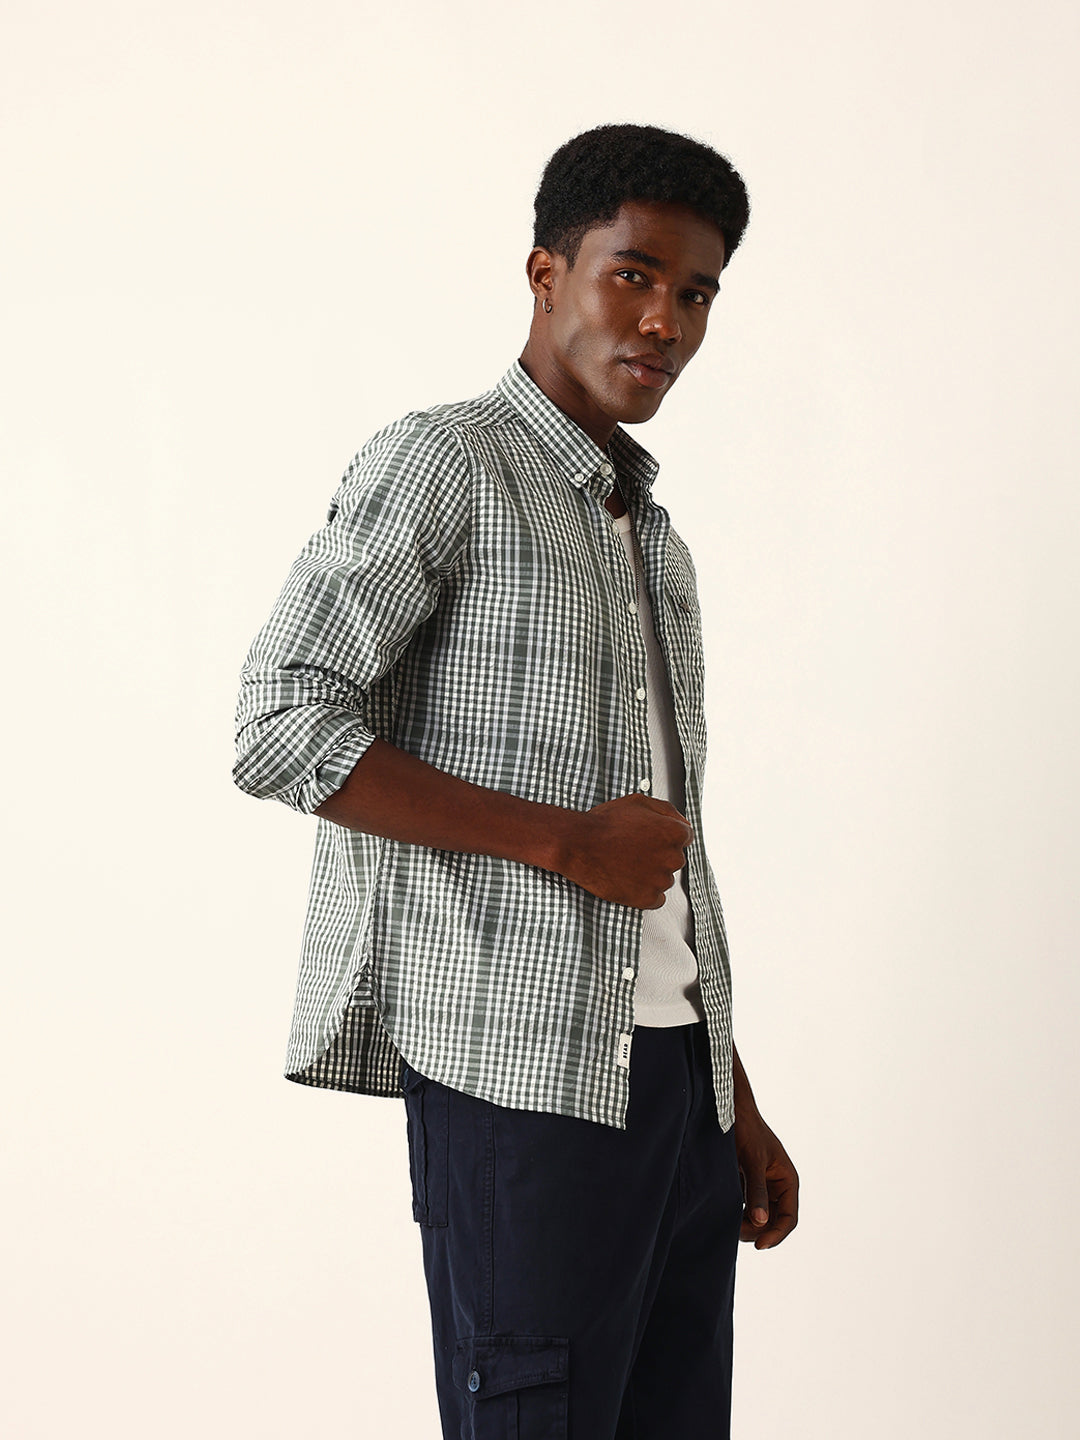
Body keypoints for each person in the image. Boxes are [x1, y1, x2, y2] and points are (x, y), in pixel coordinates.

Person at [234, 121, 798, 1440]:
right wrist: (564, 844)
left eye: (697, 293)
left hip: (676, 1090)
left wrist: (731, 1098)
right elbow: (281, 722)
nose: (664, 321)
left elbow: (660, 858)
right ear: (547, 274)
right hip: (521, 1080)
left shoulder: (650, 535)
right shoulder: (444, 464)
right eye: (633, 275)